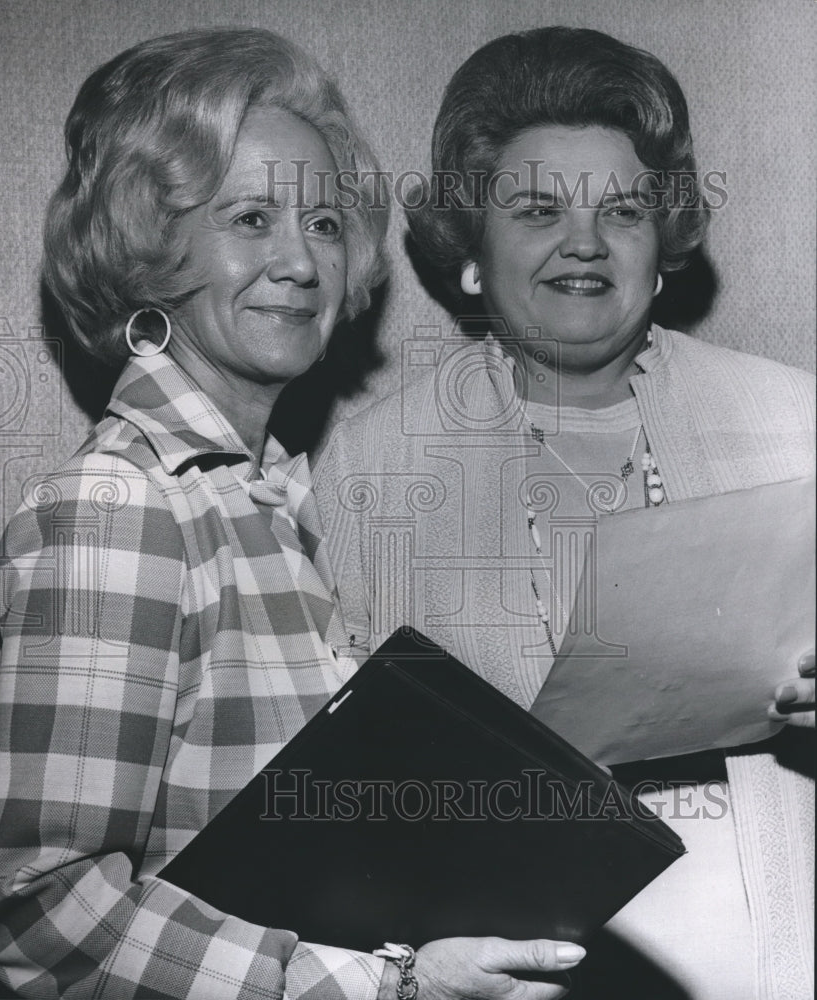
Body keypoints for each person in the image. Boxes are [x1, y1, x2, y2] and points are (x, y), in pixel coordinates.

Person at [0, 28, 586, 1000]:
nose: (302, 261)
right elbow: (37, 909)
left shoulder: (263, 501)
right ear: (148, 244)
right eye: (252, 217)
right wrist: (381, 989)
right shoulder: (116, 507)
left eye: (324, 222)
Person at [315, 26, 815, 1000]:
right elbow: (334, 788)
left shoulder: (797, 419)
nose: (584, 243)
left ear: (663, 243)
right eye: (537, 209)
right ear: (470, 247)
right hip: (509, 973)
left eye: (621, 210)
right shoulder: (369, 465)